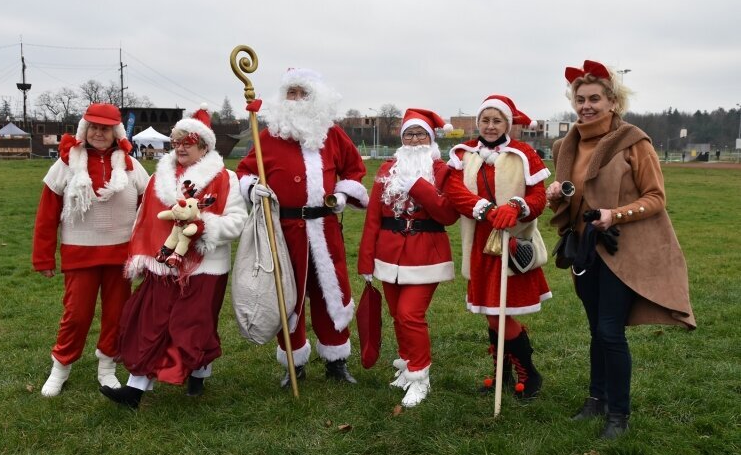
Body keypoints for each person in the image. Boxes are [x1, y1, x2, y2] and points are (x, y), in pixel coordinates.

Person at [547, 60, 696, 439]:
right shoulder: (566, 146)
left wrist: (617, 214)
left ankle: (619, 415)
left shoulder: (634, 141)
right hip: (584, 249)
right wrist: (555, 197)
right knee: (597, 329)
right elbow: (572, 200)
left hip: (622, 250)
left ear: (613, 101)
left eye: (595, 98)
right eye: (580, 99)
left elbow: (656, 197)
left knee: (611, 331)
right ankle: (596, 400)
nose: (587, 106)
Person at [100, 105, 247, 408]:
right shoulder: (159, 178)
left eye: (187, 143)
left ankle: (198, 373)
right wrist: (143, 253)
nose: (180, 148)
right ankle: (134, 390)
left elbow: (237, 221)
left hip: (206, 267)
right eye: (176, 143)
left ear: (204, 147)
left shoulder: (225, 178)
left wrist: (203, 226)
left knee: (194, 326)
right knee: (149, 323)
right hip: (163, 262)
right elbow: (144, 216)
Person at [236, 68, 368, 387]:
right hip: (283, 230)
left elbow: (355, 171)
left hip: (324, 229)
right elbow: (244, 171)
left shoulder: (332, 134)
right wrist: (253, 188)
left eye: (301, 93)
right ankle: (294, 364)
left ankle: (336, 361)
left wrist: (340, 194)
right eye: (290, 94)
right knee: (286, 295)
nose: (295, 100)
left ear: (315, 99)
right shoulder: (266, 136)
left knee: (330, 294)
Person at [33, 103, 149, 397]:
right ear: (85, 130)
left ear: (115, 132)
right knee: (76, 315)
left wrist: (148, 253)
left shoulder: (133, 167)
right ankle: (60, 367)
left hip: (120, 256)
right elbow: (47, 214)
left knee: (117, 315)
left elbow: (149, 211)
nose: (99, 133)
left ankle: (107, 368)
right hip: (79, 254)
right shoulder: (65, 164)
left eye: (105, 128)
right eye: (94, 127)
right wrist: (44, 257)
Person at [444, 95, 552, 400]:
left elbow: (539, 197)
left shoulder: (523, 154)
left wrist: (517, 207)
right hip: (480, 240)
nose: (490, 126)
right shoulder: (464, 153)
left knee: (499, 312)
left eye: (497, 120)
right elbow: (454, 191)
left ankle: (529, 373)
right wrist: (486, 209)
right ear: (478, 122)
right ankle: (504, 372)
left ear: (507, 124)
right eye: (485, 120)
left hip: (509, 241)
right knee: (491, 309)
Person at [358, 108, 459, 407]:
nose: (415, 140)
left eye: (420, 134)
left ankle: (420, 376)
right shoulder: (387, 169)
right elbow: (373, 218)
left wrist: (418, 186)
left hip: (426, 253)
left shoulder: (442, 171)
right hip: (389, 254)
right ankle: (407, 362)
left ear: (430, 139)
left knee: (410, 314)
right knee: (396, 314)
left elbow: (447, 214)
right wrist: (366, 262)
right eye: (409, 134)